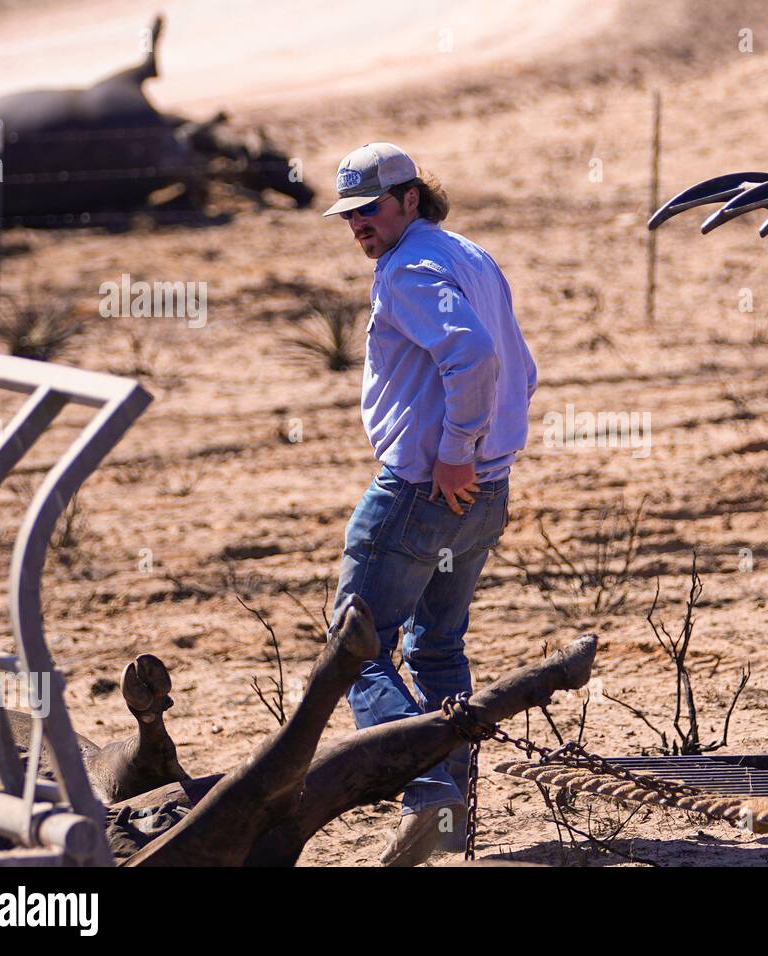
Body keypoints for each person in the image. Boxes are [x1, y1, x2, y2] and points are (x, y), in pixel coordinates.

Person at [323, 142, 537, 865]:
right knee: (438, 648)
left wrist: (454, 449)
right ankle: (448, 815)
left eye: (370, 209)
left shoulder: (411, 268)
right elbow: (521, 366)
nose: (359, 225)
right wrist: (483, 455)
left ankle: (428, 796)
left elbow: (473, 355)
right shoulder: (467, 254)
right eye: (349, 215)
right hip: (485, 492)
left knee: (356, 648)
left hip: (425, 490)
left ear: (410, 198)